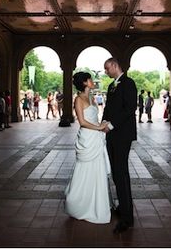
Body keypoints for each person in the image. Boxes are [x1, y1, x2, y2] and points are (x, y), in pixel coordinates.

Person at [65, 72, 112, 224]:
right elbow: (82, 122)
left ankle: (97, 203)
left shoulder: (92, 98)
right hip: (87, 137)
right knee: (85, 169)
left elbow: (94, 117)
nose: (93, 81)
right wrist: (99, 128)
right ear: (85, 83)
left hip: (96, 138)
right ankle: (79, 203)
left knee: (97, 170)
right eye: (90, 79)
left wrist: (103, 123)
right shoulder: (78, 99)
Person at [101, 57, 137, 234]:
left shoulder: (128, 83)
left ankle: (127, 218)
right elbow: (109, 108)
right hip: (111, 135)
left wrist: (112, 125)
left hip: (123, 135)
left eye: (107, 68)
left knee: (121, 173)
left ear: (115, 65)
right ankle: (123, 208)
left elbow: (130, 108)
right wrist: (103, 124)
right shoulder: (111, 86)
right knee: (116, 172)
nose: (106, 72)